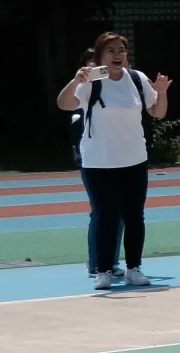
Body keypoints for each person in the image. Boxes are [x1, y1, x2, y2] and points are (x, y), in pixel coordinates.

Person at [56, 31, 169, 291]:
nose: (117, 55)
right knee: (106, 216)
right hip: (99, 161)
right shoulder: (93, 79)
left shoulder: (137, 78)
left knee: (135, 216)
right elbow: (64, 104)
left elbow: (157, 112)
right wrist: (75, 81)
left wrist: (161, 92)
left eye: (121, 50)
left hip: (134, 159)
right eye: (111, 51)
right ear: (100, 56)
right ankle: (104, 270)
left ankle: (134, 268)